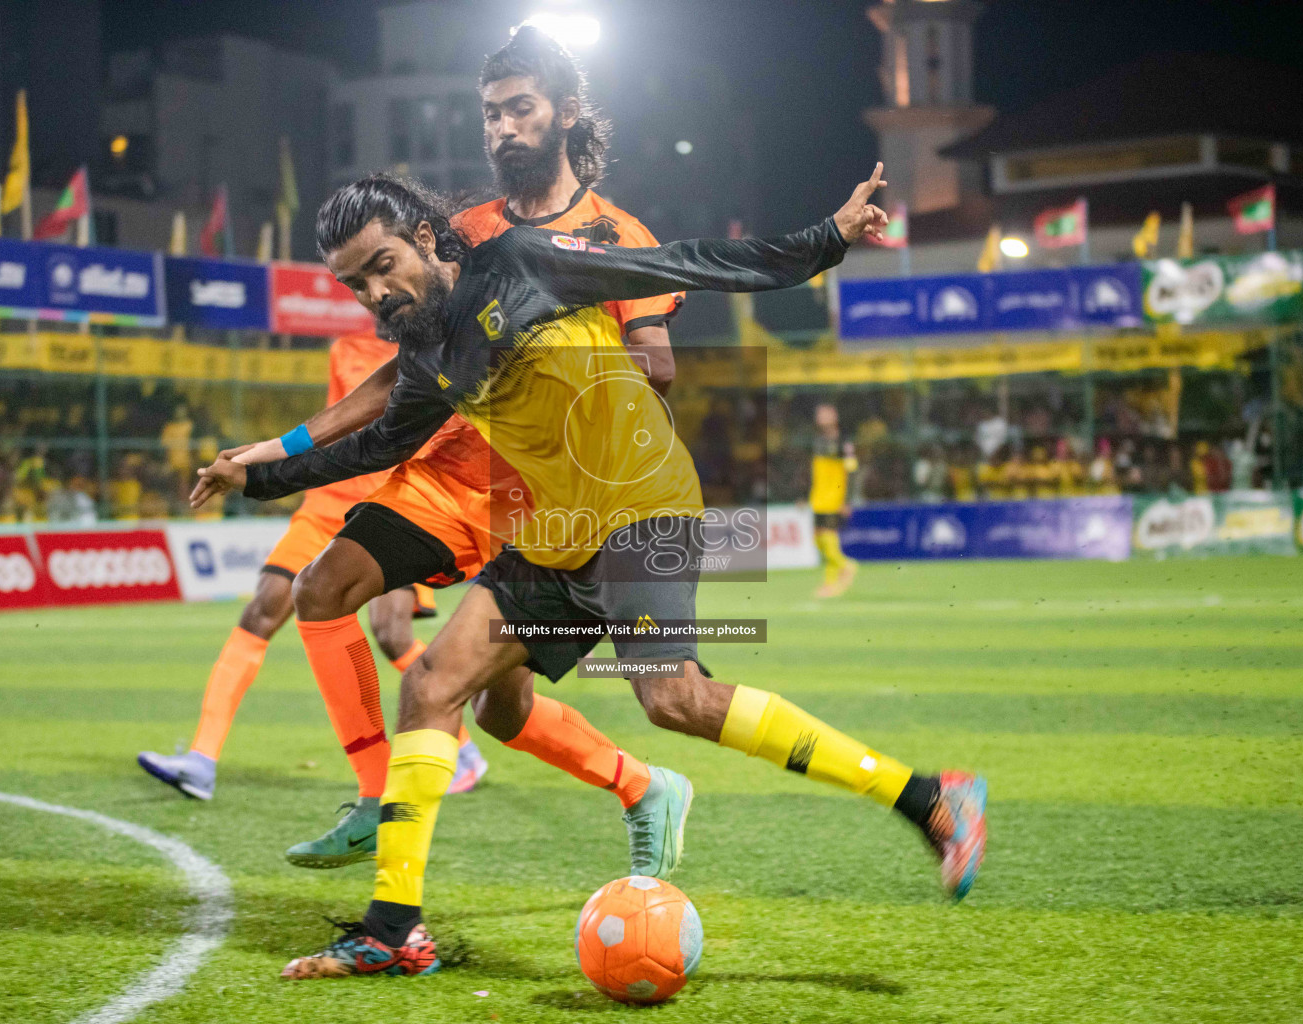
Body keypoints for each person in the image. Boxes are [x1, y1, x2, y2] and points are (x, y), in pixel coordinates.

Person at [193, 164, 986, 979]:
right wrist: (256, 476)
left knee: (675, 699)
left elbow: (682, 262)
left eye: (383, 264)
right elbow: (382, 443)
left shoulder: (526, 261)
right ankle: (394, 931)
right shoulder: (429, 350)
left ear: (425, 238)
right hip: (557, 529)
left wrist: (827, 238)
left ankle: (930, 798)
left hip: (645, 505)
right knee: (433, 686)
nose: (374, 292)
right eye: (356, 282)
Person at [162, 28, 695, 878]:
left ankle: (641, 788)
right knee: (323, 589)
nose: (504, 129)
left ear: (562, 116)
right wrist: (268, 451)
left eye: (520, 110)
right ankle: (380, 802)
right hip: (436, 481)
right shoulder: (465, 235)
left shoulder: (611, 236)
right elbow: (388, 386)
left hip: (534, 500)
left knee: (504, 709)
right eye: (492, 114)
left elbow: (651, 368)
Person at [137, 329, 481, 811]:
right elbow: (337, 421)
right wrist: (268, 459)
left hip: (396, 505)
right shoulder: (347, 348)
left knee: (392, 633)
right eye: (360, 286)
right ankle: (201, 759)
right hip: (324, 504)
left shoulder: (445, 344)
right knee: (261, 611)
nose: (374, 297)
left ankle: (463, 750)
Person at [810, 403, 859, 597]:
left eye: (825, 413)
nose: (821, 417)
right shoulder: (818, 440)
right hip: (818, 497)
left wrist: (847, 499)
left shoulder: (843, 441)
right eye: (819, 414)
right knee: (819, 540)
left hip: (834, 497)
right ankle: (837, 573)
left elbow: (852, 471)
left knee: (828, 536)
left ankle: (842, 570)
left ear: (835, 416)